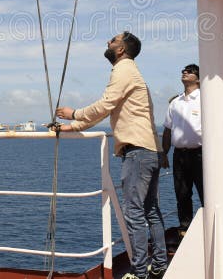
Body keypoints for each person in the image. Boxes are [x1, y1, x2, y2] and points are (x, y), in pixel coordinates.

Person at [56, 32, 167, 279]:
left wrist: (74, 114)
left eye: (113, 40)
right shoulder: (132, 72)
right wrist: (74, 127)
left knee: (134, 213)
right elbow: (112, 109)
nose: (108, 42)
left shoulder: (123, 70)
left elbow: (105, 105)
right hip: (149, 149)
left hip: (137, 152)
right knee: (150, 210)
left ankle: (139, 272)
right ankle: (159, 264)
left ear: (121, 50)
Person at [160, 64, 223, 238]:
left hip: (202, 154)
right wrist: (164, 153)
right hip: (180, 155)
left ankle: (212, 229)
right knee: (182, 193)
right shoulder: (175, 103)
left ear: (199, 79)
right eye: (183, 70)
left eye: (190, 71)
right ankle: (185, 229)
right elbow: (168, 130)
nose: (185, 72)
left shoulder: (207, 100)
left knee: (208, 193)